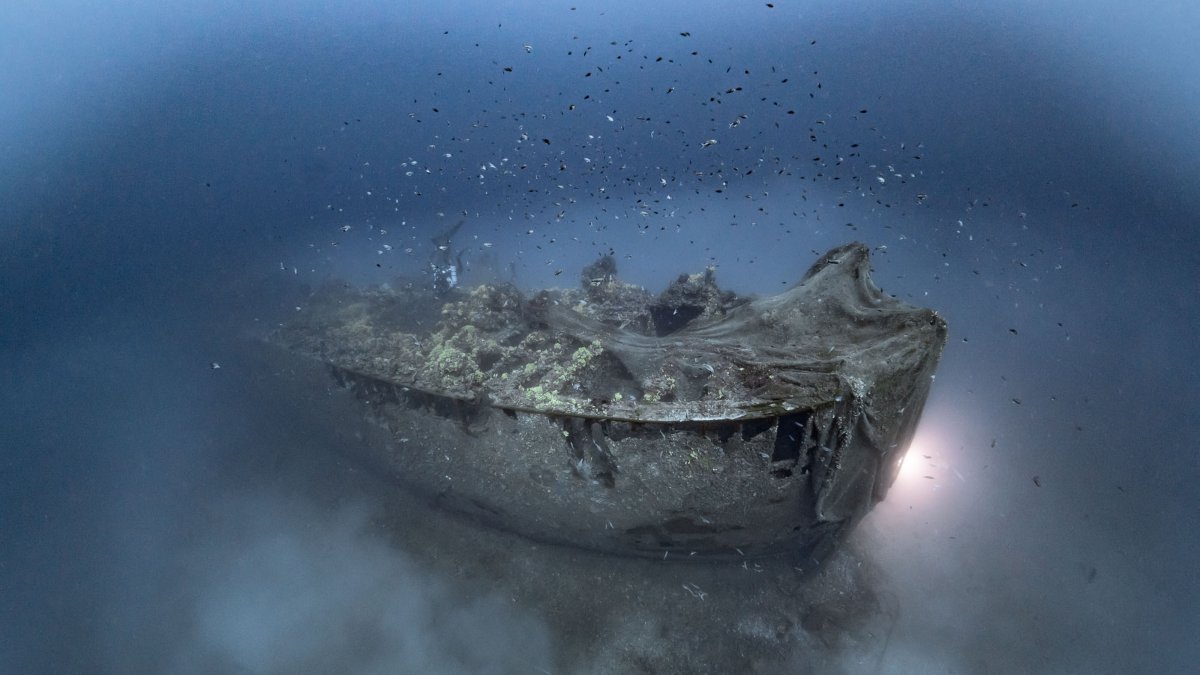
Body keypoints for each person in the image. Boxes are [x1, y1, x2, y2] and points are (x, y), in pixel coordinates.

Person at [430, 220, 465, 295]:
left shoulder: (444, 280)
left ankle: (459, 223)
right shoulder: (449, 280)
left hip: (446, 266)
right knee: (447, 258)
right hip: (447, 265)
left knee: (446, 258)